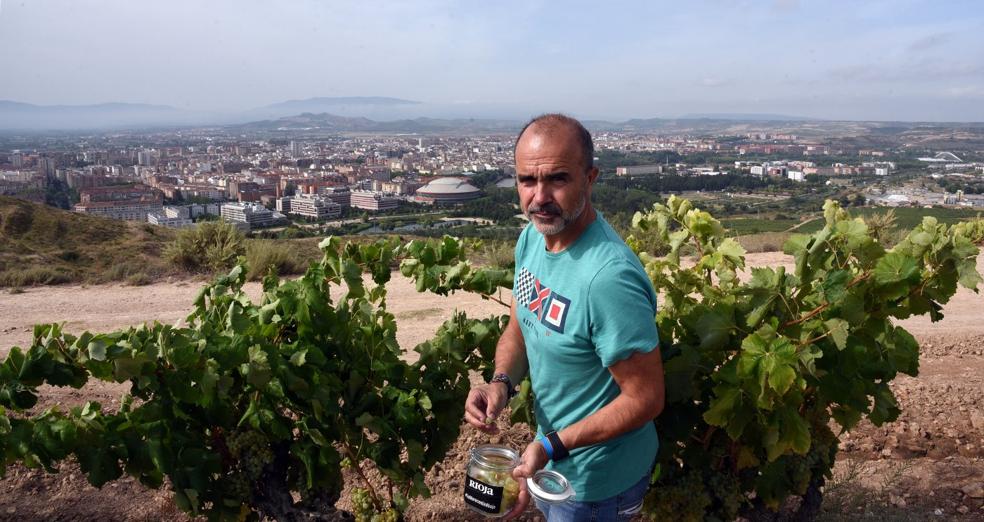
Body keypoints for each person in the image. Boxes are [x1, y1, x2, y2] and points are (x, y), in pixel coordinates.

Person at [464, 113, 665, 522]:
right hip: (556, 456)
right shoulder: (533, 239)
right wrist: (501, 384)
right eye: (526, 181)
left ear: (589, 179)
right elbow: (521, 328)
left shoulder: (608, 280)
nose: (539, 197)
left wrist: (552, 445)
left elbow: (645, 398)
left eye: (556, 179)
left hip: (597, 482)